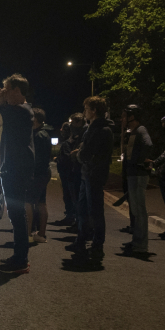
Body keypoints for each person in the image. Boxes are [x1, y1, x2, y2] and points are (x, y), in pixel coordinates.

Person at [0, 74, 35, 274]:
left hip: (17, 169)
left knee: (17, 215)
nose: (4, 94)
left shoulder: (22, 111)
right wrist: (0, 100)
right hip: (14, 167)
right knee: (16, 215)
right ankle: (19, 257)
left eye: (6, 90)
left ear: (17, 90)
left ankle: (21, 260)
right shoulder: (19, 111)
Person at [65, 96, 114, 265]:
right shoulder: (95, 128)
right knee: (83, 210)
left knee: (95, 212)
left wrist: (77, 155)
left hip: (94, 175)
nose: (85, 112)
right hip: (88, 174)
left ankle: (97, 246)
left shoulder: (101, 130)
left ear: (94, 110)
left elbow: (89, 152)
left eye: (86, 109)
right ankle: (81, 242)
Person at [120, 105, 153, 255]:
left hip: (138, 175)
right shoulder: (133, 132)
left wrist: (140, 161)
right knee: (135, 210)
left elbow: (148, 144)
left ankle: (141, 245)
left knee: (139, 211)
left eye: (125, 116)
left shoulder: (141, 130)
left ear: (133, 116)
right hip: (132, 174)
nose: (123, 119)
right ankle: (136, 241)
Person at [26, 108, 52, 243]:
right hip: (43, 173)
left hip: (36, 174)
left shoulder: (38, 136)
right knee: (41, 203)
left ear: (35, 119)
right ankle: (41, 234)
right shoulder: (44, 134)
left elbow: (35, 158)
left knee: (28, 203)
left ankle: (28, 234)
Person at [64, 113, 87, 231]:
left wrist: (75, 153)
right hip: (76, 170)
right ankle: (78, 223)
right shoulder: (78, 135)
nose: (71, 125)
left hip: (80, 170)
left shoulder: (85, 133)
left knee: (80, 200)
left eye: (73, 123)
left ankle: (81, 225)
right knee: (76, 199)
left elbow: (81, 150)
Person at [55, 122, 75, 225]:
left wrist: (59, 160)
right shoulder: (70, 142)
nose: (61, 131)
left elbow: (67, 157)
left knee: (68, 195)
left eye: (63, 129)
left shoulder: (67, 143)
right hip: (67, 173)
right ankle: (71, 216)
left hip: (67, 173)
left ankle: (70, 216)